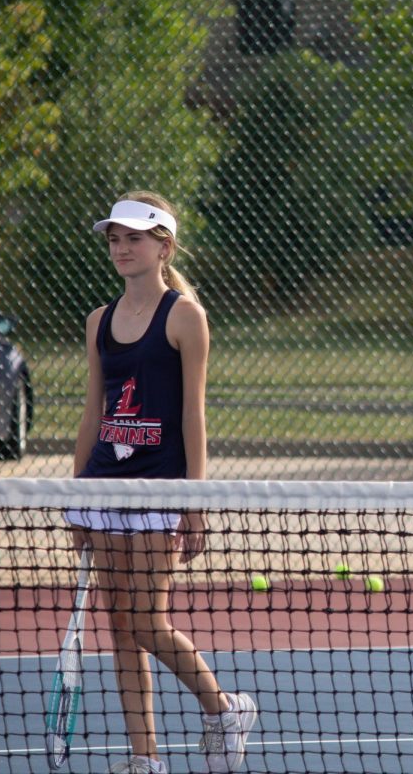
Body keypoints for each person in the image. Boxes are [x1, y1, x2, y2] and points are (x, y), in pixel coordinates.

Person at [67, 192, 257, 774]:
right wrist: (77, 497)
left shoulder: (184, 317)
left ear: (163, 246)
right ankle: (145, 759)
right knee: (120, 626)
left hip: (158, 492)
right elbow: (94, 412)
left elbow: (192, 416)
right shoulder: (99, 321)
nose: (123, 249)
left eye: (136, 239)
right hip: (105, 490)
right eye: (115, 239)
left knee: (148, 619)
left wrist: (192, 503)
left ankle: (223, 709)